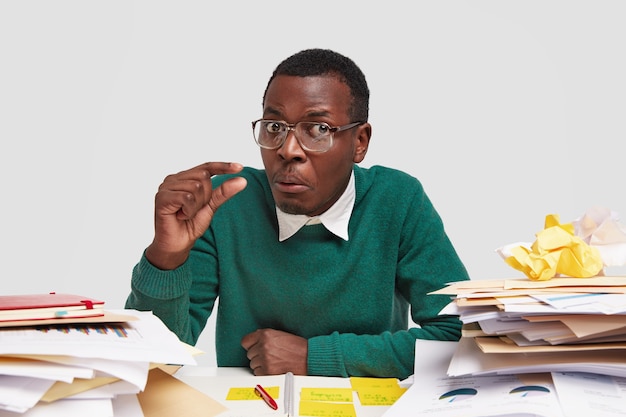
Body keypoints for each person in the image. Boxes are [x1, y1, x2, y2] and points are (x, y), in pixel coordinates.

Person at [125, 48, 470, 379]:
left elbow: (462, 337)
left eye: (318, 130)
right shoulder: (226, 202)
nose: (289, 150)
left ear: (360, 142)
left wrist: (313, 356)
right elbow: (154, 361)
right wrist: (166, 257)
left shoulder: (397, 200)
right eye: (274, 128)